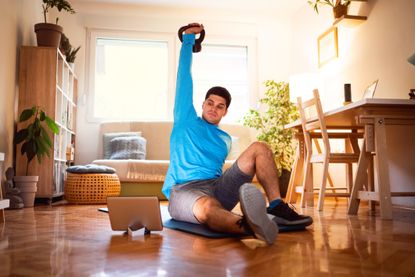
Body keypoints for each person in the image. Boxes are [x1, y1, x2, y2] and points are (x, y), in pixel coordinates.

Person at [163, 23, 312, 245]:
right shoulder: (185, 119)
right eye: (210, 103)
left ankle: (276, 206)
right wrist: (188, 41)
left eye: (220, 106)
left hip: (217, 186)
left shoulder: (224, 139)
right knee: (207, 208)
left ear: (225, 112)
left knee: (260, 148)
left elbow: (227, 172)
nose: (213, 108)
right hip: (185, 190)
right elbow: (183, 78)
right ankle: (251, 226)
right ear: (202, 104)